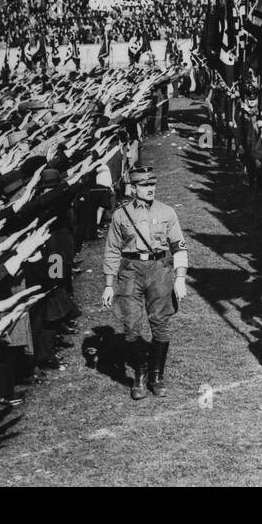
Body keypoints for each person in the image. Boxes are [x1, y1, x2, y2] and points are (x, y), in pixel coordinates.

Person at [101, 165, 189, 401]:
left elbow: (179, 246)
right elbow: (111, 250)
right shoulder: (121, 214)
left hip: (159, 270)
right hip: (130, 271)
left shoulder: (167, 212)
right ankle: (139, 374)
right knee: (131, 324)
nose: (151, 189)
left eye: (153, 184)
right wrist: (109, 284)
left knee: (160, 323)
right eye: (145, 185)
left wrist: (180, 278)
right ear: (133, 187)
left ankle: (155, 376)